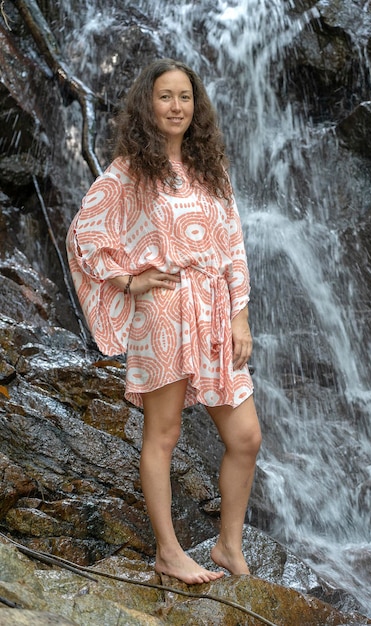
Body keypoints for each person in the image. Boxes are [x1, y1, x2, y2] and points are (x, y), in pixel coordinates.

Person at [66, 58, 262, 585]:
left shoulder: (210, 170)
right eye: (165, 96)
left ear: (196, 107)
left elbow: (234, 248)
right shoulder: (129, 170)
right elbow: (84, 235)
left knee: (245, 436)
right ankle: (169, 552)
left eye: (185, 97)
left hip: (216, 314)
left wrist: (240, 317)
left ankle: (227, 544)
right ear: (147, 105)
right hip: (165, 312)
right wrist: (128, 279)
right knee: (164, 432)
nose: (177, 106)